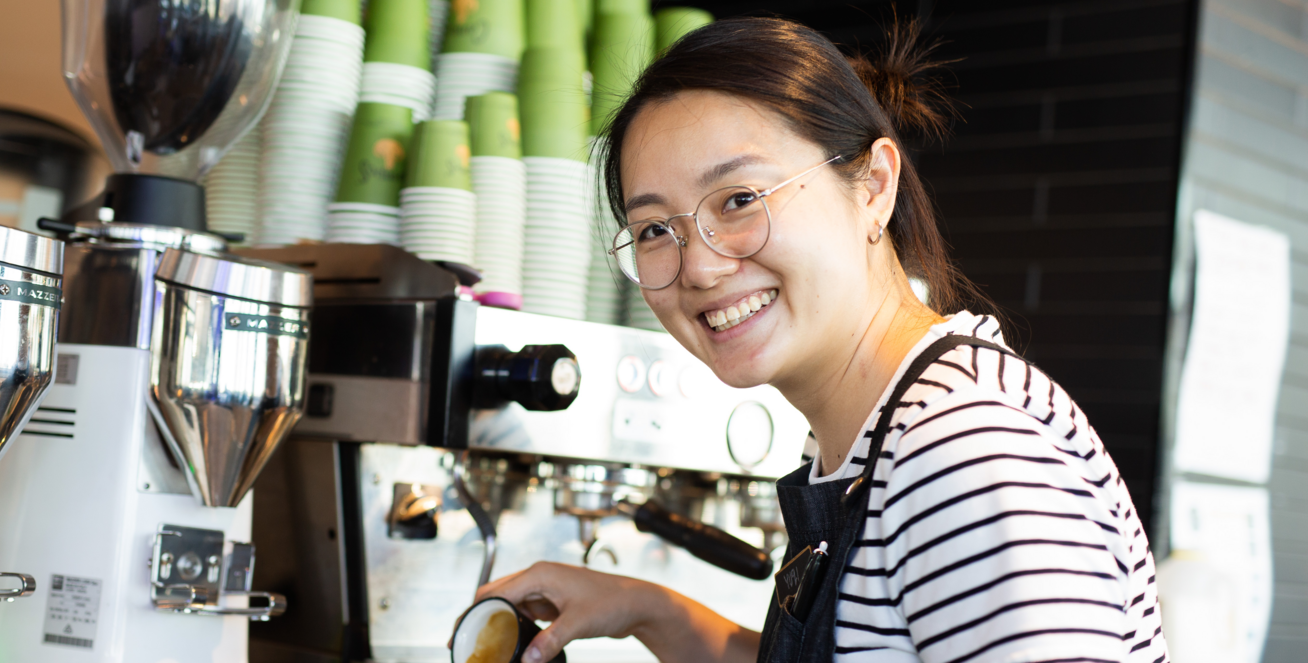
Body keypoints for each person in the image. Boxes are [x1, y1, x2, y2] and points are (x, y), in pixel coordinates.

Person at [471, 17, 1169, 663]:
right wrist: (652, 610)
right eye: (657, 230)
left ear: (873, 186)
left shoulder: (961, 449)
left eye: (739, 200)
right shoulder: (869, 434)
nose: (700, 266)